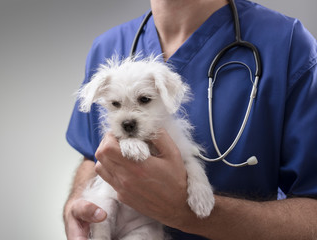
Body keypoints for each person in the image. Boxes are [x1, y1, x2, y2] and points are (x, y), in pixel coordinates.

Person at [63, 0, 317, 239]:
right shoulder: (107, 47)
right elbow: (92, 154)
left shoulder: (287, 43)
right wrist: (78, 206)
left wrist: (185, 213)